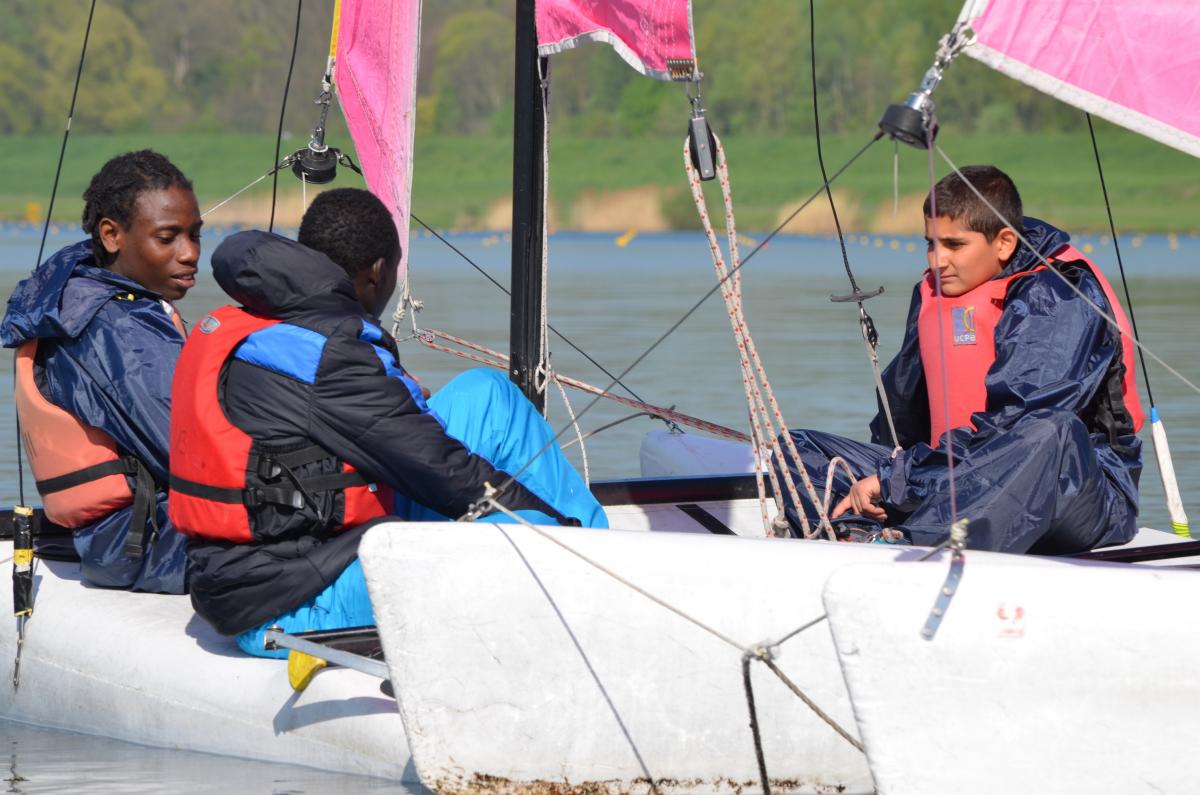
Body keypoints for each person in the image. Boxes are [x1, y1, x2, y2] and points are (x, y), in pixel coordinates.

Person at [170, 187, 607, 656]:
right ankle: (598, 577)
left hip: (303, 554)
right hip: (292, 599)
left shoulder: (271, 316)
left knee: (487, 394)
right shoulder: (330, 352)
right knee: (528, 540)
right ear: (378, 271)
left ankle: (603, 561)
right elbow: (448, 474)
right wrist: (554, 529)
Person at [779, 165, 1143, 554]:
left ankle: (913, 548)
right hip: (950, 474)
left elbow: (1016, 425)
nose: (938, 260)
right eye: (931, 243)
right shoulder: (935, 291)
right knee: (795, 450)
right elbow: (902, 420)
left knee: (1049, 430)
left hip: (1074, 491)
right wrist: (891, 478)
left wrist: (898, 480)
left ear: (1003, 243)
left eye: (954, 245)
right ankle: (853, 535)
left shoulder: (1057, 296)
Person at [1, 150, 200, 593]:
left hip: (128, 537)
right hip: (149, 544)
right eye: (167, 238)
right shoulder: (113, 327)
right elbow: (190, 454)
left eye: (195, 234)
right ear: (111, 235)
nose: (190, 253)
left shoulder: (84, 296)